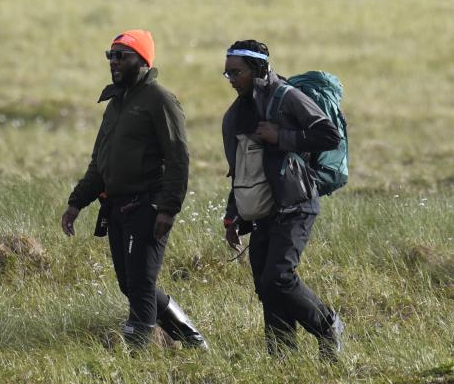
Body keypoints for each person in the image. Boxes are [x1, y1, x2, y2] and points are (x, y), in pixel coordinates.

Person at [61, 30, 207, 349]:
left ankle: (140, 355)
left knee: (141, 283)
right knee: (130, 283)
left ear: (141, 61)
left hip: (149, 205)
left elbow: (178, 157)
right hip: (116, 207)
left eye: (121, 56)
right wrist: (77, 202)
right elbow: (100, 161)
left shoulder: (160, 100)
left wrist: (168, 208)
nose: (114, 62)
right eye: (111, 55)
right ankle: (190, 336)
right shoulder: (116, 103)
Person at [220, 39, 344, 360]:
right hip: (262, 213)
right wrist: (233, 214)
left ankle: (328, 326)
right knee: (266, 286)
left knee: (278, 277)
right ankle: (282, 357)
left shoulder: (289, 98)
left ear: (258, 68)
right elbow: (242, 170)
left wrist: (282, 138)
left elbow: (329, 135)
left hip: (296, 204)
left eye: (237, 73)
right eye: (227, 74)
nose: (232, 79)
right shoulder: (236, 114)